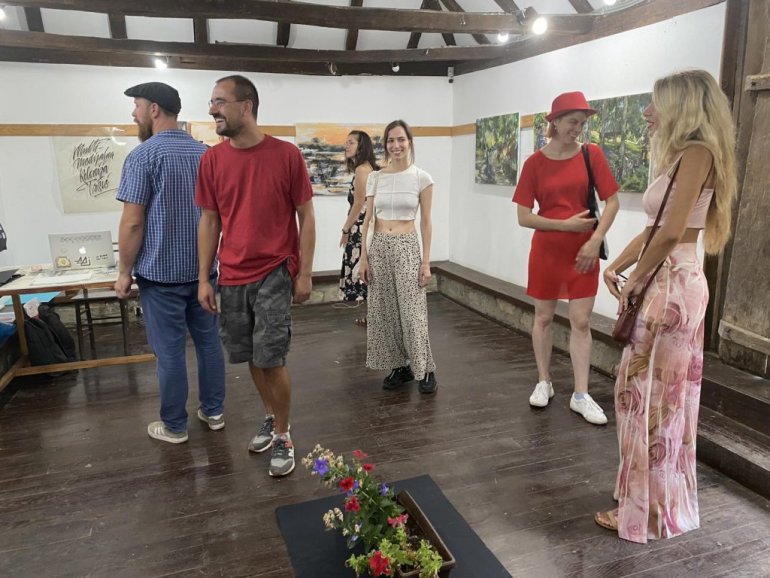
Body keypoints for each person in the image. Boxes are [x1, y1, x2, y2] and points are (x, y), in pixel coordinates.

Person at [595, 70, 736, 543]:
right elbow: (655, 228)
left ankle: (649, 512)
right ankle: (647, 499)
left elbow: (673, 233)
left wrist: (635, 280)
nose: (647, 112)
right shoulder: (682, 156)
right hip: (666, 280)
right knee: (642, 394)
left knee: (652, 399)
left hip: (673, 285)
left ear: (682, 106)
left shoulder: (697, 152)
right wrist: (618, 266)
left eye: (655, 103)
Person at [196, 75, 316, 478]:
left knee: (271, 356)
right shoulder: (212, 160)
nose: (212, 109)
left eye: (219, 101)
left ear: (246, 106)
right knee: (249, 354)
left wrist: (305, 273)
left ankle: (283, 433)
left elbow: (306, 216)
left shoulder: (286, 155)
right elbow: (209, 221)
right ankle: (270, 415)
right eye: (211, 102)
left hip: (274, 270)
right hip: (231, 274)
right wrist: (203, 277)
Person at [115, 81, 225, 444]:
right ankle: (214, 412)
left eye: (137, 106)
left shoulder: (142, 157)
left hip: (160, 278)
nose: (133, 114)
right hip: (204, 273)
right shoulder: (206, 154)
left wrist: (123, 272)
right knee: (209, 345)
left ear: (154, 109)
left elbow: (132, 223)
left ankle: (175, 427)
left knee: (169, 353)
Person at [513, 91, 620, 425]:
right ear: (555, 122)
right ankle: (543, 380)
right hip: (546, 252)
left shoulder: (591, 155)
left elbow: (613, 202)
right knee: (543, 317)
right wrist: (564, 225)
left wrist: (595, 239)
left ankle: (581, 394)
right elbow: (523, 216)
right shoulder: (534, 163)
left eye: (582, 123)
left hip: (583, 254)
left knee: (581, 321)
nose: (578, 129)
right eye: (573, 122)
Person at [359, 120, 437, 394]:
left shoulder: (422, 178)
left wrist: (425, 262)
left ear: (410, 142)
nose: (396, 145)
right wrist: (363, 258)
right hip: (379, 246)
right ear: (385, 145)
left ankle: (425, 368)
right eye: (391, 140)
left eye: (401, 139)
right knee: (384, 311)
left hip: (406, 246)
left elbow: (426, 222)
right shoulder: (376, 178)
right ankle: (399, 366)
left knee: (413, 312)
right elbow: (368, 220)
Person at [339, 130, 379, 325]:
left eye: (351, 142)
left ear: (361, 146)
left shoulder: (362, 170)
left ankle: (375, 319)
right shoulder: (367, 168)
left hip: (360, 228)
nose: (346, 146)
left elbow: (358, 203)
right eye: (346, 142)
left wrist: (345, 229)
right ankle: (373, 318)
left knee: (364, 272)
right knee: (368, 272)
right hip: (365, 226)